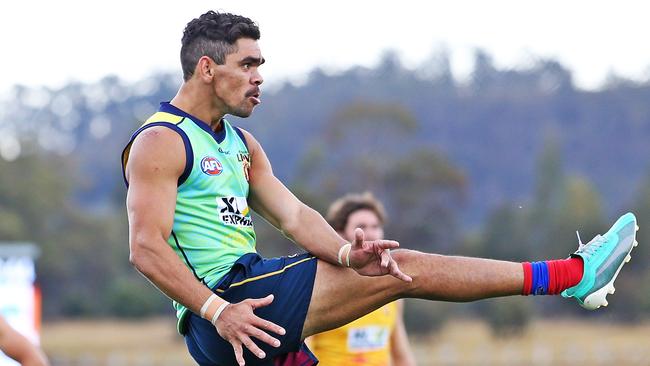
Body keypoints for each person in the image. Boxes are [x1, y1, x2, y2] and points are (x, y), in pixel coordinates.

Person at [121, 10, 639, 366]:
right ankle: (574, 275)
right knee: (404, 269)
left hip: (248, 315)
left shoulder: (241, 144)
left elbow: (297, 218)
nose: (260, 77)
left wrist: (349, 254)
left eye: (261, 65)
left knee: (384, 269)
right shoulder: (161, 141)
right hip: (230, 302)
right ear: (208, 68)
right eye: (248, 65)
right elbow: (146, 247)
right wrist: (218, 311)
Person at [306, 192, 416, 366]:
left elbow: (401, 357)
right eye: (361, 227)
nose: (371, 234)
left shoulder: (392, 288)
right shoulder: (319, 286)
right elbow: (303, 354)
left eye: (375, 226)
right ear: (339, 234)